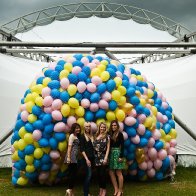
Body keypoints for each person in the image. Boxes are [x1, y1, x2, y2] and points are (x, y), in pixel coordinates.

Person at [93, 122, 110, 196]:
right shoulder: (96, 136)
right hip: (96, 157)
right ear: (99, 128)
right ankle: (100, 190)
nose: (102, 128)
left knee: (102, 174)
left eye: (104, 127)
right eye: (101, 127)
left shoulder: (107, 136)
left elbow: (108, 148)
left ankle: (104, 190)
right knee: (98, 175)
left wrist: (106, 158)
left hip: (103, 157)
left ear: (105, 128)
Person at [109, 120, 125, 196]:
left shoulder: (120, 134)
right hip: (111, 154)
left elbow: (123, 146)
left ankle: (120, 190)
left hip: (118, 153)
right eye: (112, 125)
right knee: (111, 172)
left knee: (118, 172)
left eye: (115, 125)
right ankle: (116, 189)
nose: (113, 127)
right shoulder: (110, 134)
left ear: (117, 126)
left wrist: (121, 156)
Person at [65, 123, 81, 196]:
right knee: (72, 174)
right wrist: (68, 157)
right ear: (73, 129)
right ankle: (69, 190)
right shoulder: (72, 136)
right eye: (76, 128)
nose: (78, 129)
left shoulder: (76, 136)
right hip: (72, 156)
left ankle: (71, 192)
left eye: (79, 128)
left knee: (73, 174)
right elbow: (69, 146)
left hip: (75, 156)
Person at [80, 122, 95, 196]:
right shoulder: (82, 136)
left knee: (89, 175)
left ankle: (86, 191)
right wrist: (86, 159)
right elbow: (82, 149)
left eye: (89, 126)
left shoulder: (92, 136)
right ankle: (86, 193)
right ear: (84, 128)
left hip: (92, 158)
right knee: (89, 175)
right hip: (87, 159)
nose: (88, 128)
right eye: (86, 126)